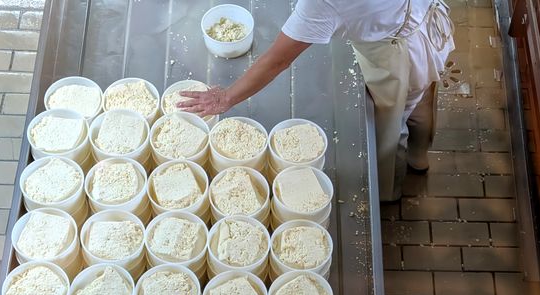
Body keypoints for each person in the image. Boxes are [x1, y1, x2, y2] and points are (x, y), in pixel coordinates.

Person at [179, 0, 454, 201]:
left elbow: (278, 60)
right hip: (428, 24)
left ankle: (389, 193)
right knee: (421, 97)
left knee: (389, 127)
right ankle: (420, 158)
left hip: (398, 54)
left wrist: (226, 97)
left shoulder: (322, 4)